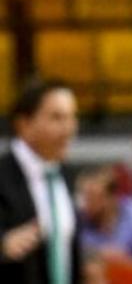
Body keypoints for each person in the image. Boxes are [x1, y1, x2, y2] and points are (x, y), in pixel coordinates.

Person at [0, 79, 82, 283]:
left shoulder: (66, 175)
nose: (69, 128)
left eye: (72, 117)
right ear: (24, 124)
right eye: (57, 118)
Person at [78, 166, 132, 269]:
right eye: (83, 197)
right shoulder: (79, 221)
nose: (84, 204)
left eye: (91, 197)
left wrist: (125, 262)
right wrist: (98, 254)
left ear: (111, 198)